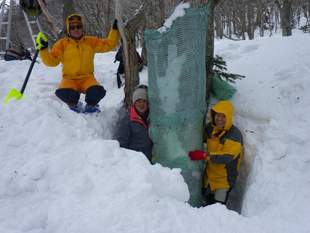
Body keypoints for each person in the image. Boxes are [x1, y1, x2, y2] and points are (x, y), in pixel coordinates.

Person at [35, 14, 120, 113]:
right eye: (72, 27)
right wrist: (43, 49)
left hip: (87, 79)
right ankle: (74, 104)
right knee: (63, 93)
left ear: (82, 28)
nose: (76, 29)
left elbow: (109, 44)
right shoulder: (62, 44)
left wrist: (114, 30)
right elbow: (51, 62)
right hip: (69, 79)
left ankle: (91, 105)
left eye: (78, 26)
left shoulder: (90, 41)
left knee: (98, 91)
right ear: (68, 30)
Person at [188, 100, 243, 206]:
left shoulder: (234, 135)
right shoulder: (210, 129)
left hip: (224, 181)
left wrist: (204, 155)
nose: (219, 119)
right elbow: (200, 138)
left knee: (217, 210)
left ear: (228, 117)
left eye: (223, 116)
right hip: (209, 178)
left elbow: (227, 157)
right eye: (218, 115)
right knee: (204, 205)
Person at [116, 85, 153, 162]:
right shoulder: (127, 120)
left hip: (151, 161)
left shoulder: (152, 118)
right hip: (136, 163)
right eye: (138, 101)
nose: (141, 104)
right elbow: (122, 145)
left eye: (144, 101)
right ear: (134, 103)